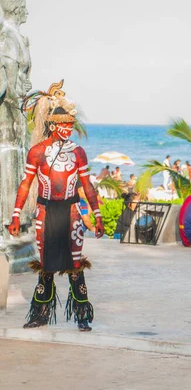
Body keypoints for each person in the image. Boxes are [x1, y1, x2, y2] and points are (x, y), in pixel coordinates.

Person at [9, 81, 104, 332]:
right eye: (65, 125)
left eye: (71, 125)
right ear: (52, 125)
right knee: (47, 265)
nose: (69, 130)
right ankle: (40, 314)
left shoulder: (79, 153)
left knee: (74, 264)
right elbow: (26, 184)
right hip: (45, 211)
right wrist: (16, 215)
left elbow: (88, 186)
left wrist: (96, 215)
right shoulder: (37, 152)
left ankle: (82, 315)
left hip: (71, 212)